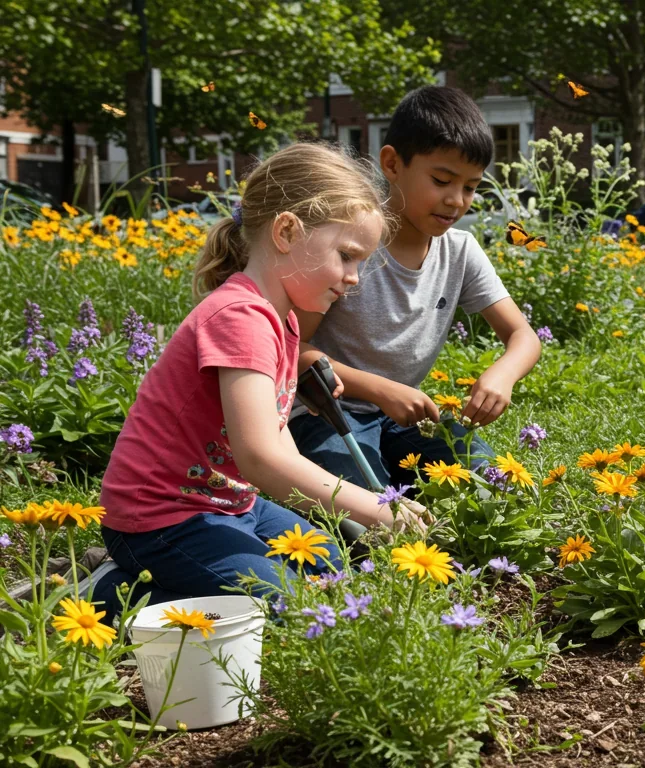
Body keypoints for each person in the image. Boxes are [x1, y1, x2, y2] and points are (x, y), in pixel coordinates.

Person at [92, 142, 425, 611]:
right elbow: (259, 458)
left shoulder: (281, 320)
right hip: (159, 518)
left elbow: (277, 444)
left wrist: (343, 507)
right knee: (285, 602)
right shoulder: (240, 318)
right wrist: (373, 507)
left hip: (230, 506)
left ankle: (161, 576)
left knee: (336, 572)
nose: (354, 277)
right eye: (347, 255)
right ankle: (111, 592)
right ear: (287, 231)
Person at [288, 86, 541, 489]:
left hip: (405, 418)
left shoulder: (460, 250)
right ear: (392, 164)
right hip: (327, 414)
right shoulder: (350, 246)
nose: (456, 200)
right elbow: (291, 348)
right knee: (359, 515)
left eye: (471, 187)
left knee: (498, 488)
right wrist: (380, 390)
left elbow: (523, 335)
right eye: (442, 180)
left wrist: (503, 375)